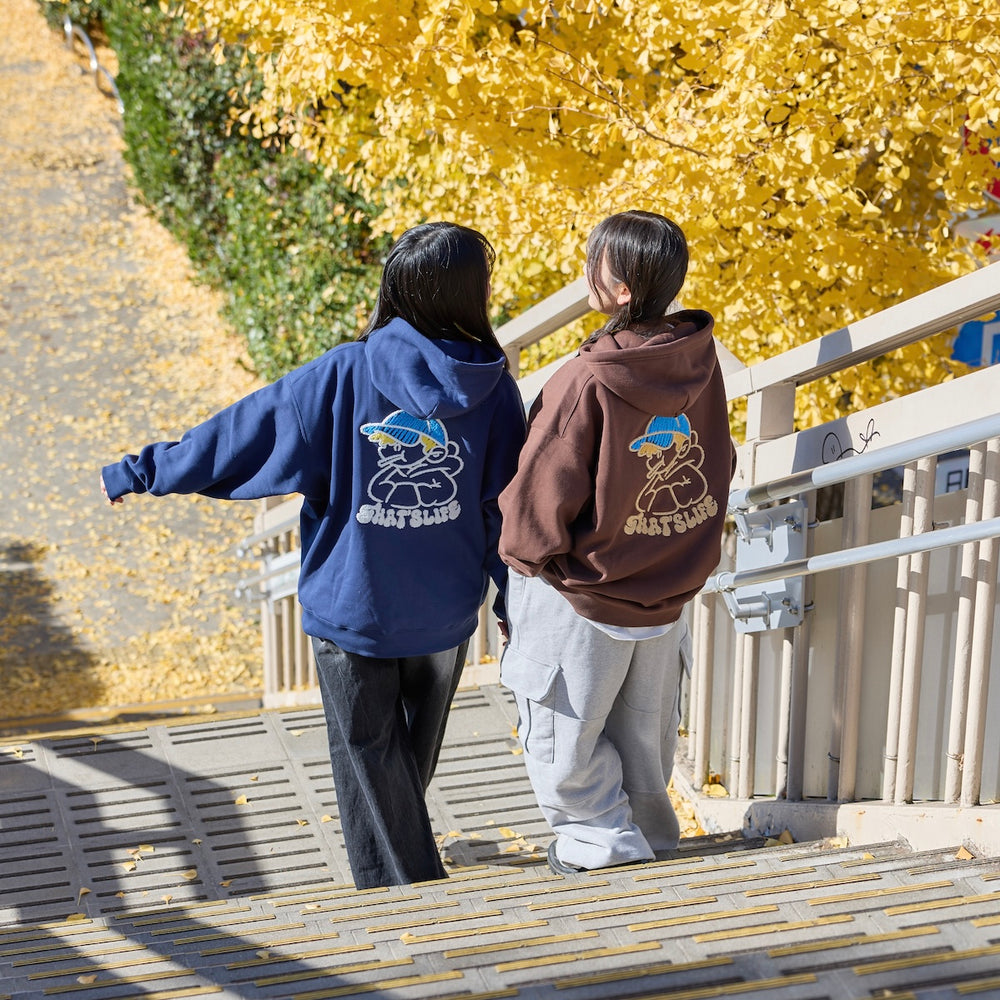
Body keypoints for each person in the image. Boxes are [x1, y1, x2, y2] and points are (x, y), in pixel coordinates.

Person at [101, 222, 526, 889]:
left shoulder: (344, 375)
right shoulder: (493, 388)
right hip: (444, 612)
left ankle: (413, 895)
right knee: (401, 763)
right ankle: (394, 885)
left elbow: (244, 433)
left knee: (369, 757)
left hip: (355, 607)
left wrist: (142, 471)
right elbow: (507, 506)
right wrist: (510, 597)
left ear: (397, 289)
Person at [497, 210, 734, 874]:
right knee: (643, 730)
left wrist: (521, 560)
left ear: (621, 289)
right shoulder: (696, 361)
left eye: (593, 260)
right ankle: (650, 835)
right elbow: (719, 457)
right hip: (665, 582)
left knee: (563, 731)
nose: (584, 268)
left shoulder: (587, 380)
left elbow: (545, 488)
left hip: (586, 590)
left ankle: (597, 841)